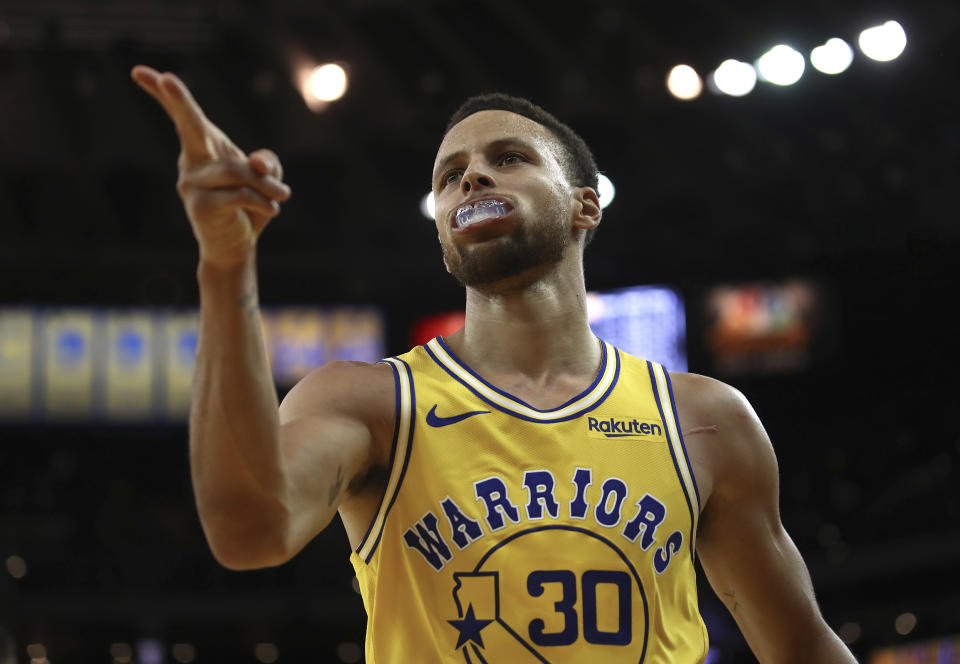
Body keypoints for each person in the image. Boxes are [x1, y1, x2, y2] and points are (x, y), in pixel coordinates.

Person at [131, 64, 857, 663]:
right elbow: (249, 532)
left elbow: (802, 647)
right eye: (450, 176)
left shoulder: (706, 419)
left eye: (507, 158)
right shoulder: (372, 404)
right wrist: (226, 268)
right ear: (443, 230)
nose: (470, 180)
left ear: (585, 206)